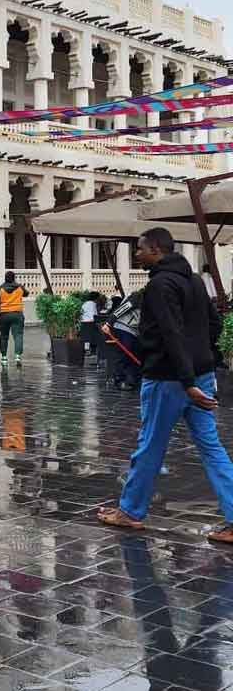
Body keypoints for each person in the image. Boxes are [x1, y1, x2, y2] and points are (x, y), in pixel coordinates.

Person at [98, 228, 233, 544]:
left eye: (140, 249)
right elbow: (214, 324)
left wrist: (186, 381)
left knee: (150, 445)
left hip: (170, 380)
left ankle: (130, 511)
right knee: (212, 448)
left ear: (156, 249)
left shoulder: (160, 284)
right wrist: (204, 361)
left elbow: (172, 334)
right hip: (198, 376)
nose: (137, 254)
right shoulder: (195, 281)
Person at [0, 271, 28, 366]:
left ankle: (4, 358)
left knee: (4, 336)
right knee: (18, 335)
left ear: (5, 278)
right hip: (17, 314)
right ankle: (17, 356)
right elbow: (26, 293)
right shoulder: (19, 287)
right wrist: (20, 287)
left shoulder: (0, 288)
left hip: (4, 315)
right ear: (14, 278)